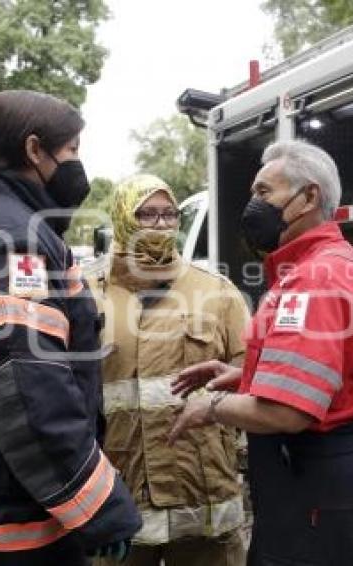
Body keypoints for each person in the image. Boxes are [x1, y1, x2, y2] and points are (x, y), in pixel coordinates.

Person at [0, 90, 141, 566]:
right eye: (73, 150)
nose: (80, 164)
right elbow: (29, 390)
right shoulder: (14, 240)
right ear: (35, 150)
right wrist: (96, 505)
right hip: (2, 527)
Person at [170, 139, 353, 566]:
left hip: (316, 492)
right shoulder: (338, 262)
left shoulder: (314, 278)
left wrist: (210, 407)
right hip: (334, 486)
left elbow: (288, 414)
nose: (252, 204)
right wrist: (245, 374)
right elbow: (334, 369)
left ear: (309, 197)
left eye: (263, 192)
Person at [88, 174, 249, 566]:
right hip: (120, 490)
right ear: (124, 217)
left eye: (169, 215)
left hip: (202, 493)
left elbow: (250, 374)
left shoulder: (217, 290)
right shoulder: (86, 290)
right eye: (146, 214)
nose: (160, 225)